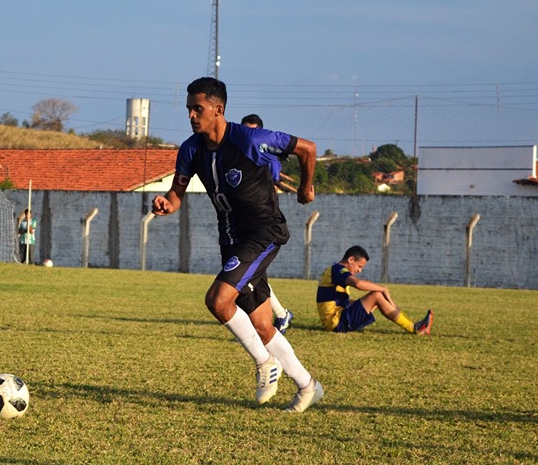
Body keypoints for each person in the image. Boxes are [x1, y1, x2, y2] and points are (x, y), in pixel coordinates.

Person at [152, 77, 323, 413]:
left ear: (219, 109)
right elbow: (177, 194)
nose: (191, 115)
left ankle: (264, 363)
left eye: (197, 108)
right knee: (261, 324)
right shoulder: (190, 149)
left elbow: (308, 148)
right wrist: (166, 204)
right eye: (189, 109)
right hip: (231, 238)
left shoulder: (250, 139)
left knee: (218, 299)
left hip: (264, 232)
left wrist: (306, 188)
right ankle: (308, 386)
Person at [240, 113, 294, 334]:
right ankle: (280, 316)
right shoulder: (235, 155)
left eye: (253, 131)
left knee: (247, 275)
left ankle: (268, 323)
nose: (248, 136)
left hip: (261, 222)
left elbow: (271, 185)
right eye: (245, 130)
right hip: (240, 220)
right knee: (252, 275)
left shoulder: (268, 158)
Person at [317, 245, 433, 335]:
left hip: (337, 320)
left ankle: (414, 325)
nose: (359, 271)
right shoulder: (338, 269)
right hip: (336, 323)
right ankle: (414, 328)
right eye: (359, 266)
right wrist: (383, 289)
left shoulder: (334, 269)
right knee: (376, 295)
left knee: (377, 298)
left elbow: (335, 301)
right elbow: (358, 283)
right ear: (351, 259)